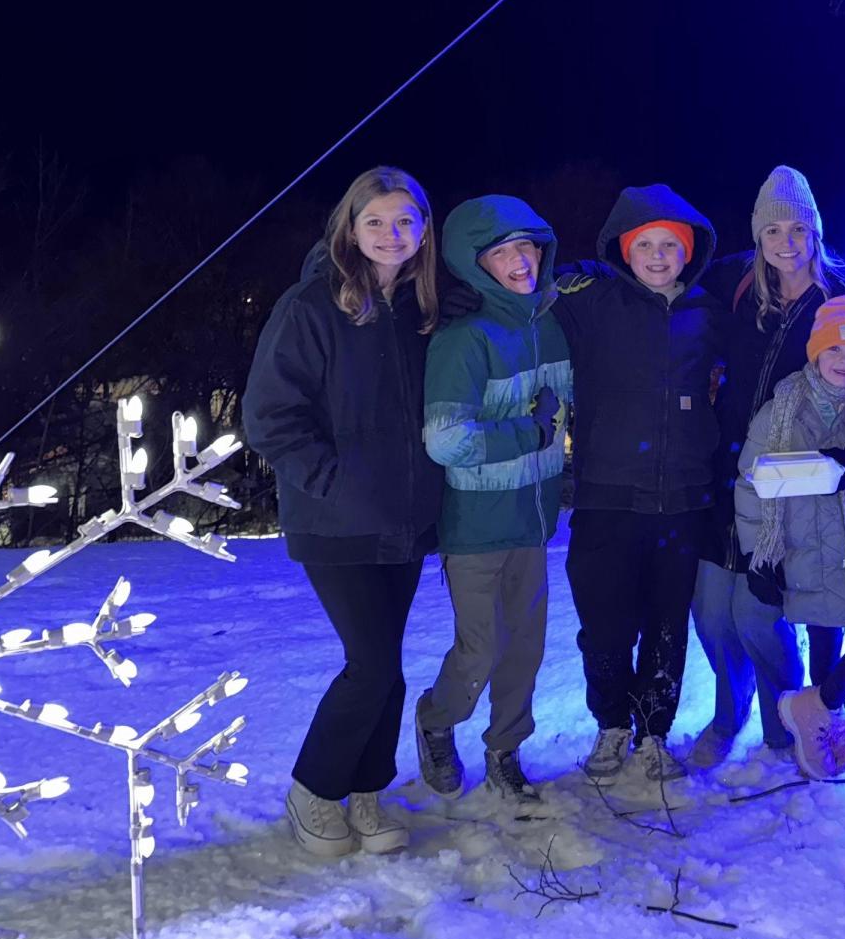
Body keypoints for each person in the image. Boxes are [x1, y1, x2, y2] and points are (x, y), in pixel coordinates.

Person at [243, 166, 443, 858]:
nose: (393, 235)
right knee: (371, 662)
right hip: (334, 521)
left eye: (406, 222)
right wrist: (329, 481)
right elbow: (269, 415)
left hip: (408, 520)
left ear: (424, 231)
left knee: (388, 666)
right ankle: (313, 789)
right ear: (350, 229)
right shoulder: (312, 307)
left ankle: (367, 788)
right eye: (377, 222)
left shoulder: (426, 311)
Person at [693, 165, 845, 767]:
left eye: (798, 229)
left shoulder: (842, 295)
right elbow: (670, 277)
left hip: (798, 486)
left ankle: (788, 720)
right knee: (712, 616)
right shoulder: (738, 287)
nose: (786, 242)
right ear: (758, 237)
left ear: (815, 232)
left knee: (763, 616)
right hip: (729, 472)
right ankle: (729, 709)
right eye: (773, 231)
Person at [552, 184, 727, 790]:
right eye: (644, 244)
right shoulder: (590, 301)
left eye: (670, 245)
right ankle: (611, 725)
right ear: (623, 251)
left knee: (666, 625)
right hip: (607, 498)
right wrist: (567, 268)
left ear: (688, 252)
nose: (657, 256)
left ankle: (654, 733)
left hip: (682, 501)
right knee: (604, 625)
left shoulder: (709, 311)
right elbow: (516, 289)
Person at [413, 196, 571, 805]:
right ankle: (435, 719)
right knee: (481, 647)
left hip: (533, 520)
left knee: (525, 650)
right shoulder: (464, 336)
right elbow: (445, 440)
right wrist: (524, 432)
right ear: (475, 264)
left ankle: (506, 748)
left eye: (526, 246)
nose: (519, 261)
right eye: (500, 251)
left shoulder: (553, 322)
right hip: (476, 525)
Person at [736, 296, 845, 779]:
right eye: (835, 350)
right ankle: (824, 721)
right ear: (815, 351)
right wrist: (758, 557)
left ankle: (816, 707)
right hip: (805, 547)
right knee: (825, 642)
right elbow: (751, 481)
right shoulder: (785, 407)